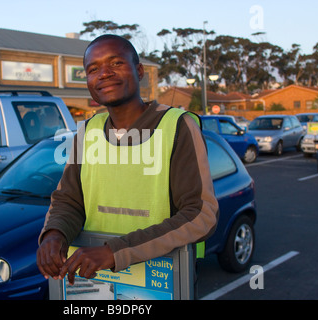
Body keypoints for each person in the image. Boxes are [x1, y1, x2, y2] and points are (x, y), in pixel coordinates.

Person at [36, 34, 218, 286]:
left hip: (161, 281)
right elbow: (69, 200)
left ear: (139, 70)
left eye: (116, 63)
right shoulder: (87, 131)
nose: (104, 74)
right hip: (94, 279)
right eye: (93, 69)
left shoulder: (177, 125)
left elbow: (200, 215)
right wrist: (54, 234)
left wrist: (115, 252)